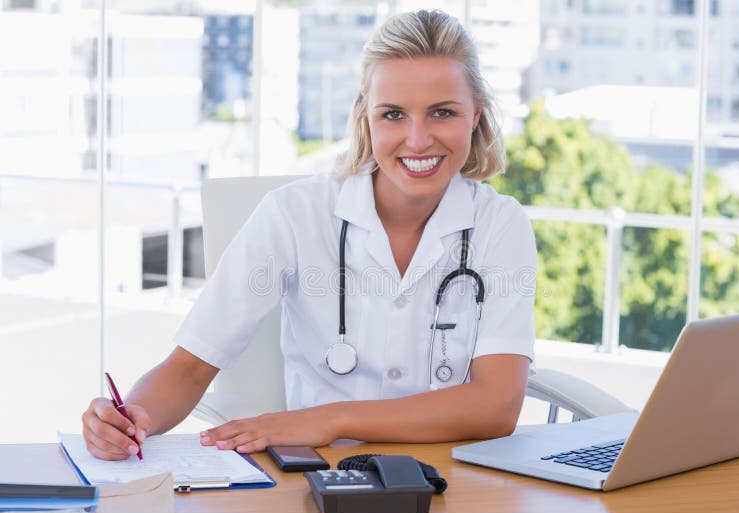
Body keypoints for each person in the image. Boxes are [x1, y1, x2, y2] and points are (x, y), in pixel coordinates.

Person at [81, 9, 537, 461]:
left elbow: (496, 406)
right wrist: (131, 418)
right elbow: (189, 366)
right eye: (393, 114)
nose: (417, 140)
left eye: (442, 112)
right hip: (320, 476)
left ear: (475, 114)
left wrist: (333, 418)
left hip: (453, 481)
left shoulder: (500, 225)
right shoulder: (295, 214)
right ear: (366, 117)